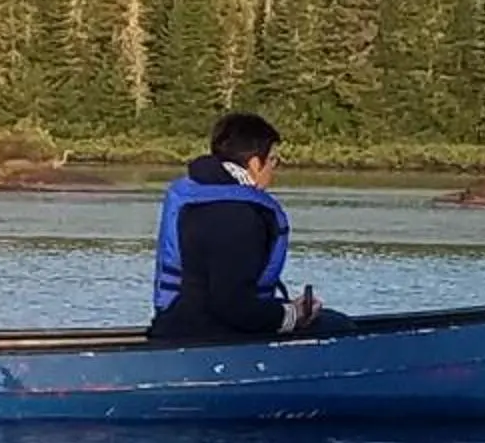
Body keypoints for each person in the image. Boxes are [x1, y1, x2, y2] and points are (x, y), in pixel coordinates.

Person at [146, 110, 350, 344]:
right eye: (272, 160)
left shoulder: (196, 196)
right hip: (209, 334)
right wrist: (294, 315)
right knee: (340, 326)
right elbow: (233, 306)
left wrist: (284, 310)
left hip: (176, 323)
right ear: (255, 163)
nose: (274, 169)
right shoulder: (239, 216)